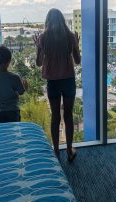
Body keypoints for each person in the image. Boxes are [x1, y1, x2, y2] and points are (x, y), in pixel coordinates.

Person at [34, 8, 81, 162]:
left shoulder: (43, 37)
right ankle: (68, 149)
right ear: (62, 20)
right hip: (68, 80)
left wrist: (38, 48)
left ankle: (56, 151)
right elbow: (78, 60)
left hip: (52, 82)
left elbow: (39, 63)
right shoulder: (70, 36)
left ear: (48, 21)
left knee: (55, 116)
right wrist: (76, 44)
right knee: (68, 116)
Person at [0, 45, 28, 123]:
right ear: (9, 60)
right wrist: (25, 87)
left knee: (1, 133)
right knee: (14, 133)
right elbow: (21, 92)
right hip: (13, 112)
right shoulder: (14, 77)